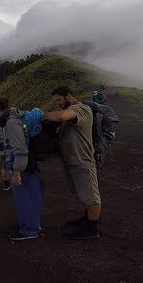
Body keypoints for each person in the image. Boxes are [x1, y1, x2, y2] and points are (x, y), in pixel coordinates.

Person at [43, 85, 101, 239]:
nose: (58, 103)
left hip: (82, 159)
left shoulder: (81, 109)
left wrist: (42, 115)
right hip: (72, 160)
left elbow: (63, 116)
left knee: (91, 196)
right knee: (82, 193)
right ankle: (87, 219)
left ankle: (92, 229)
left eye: (59, 100)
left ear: (69, 96)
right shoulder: (70, 110)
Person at [0, 96, 45, 241]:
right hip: (28, 163)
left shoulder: (11, 123)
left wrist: (17, 172)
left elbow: (19, 147)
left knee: (24, 197)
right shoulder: (16, 116)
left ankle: (29, 230)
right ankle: (33, 225)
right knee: (31, 194)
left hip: (20, 165)